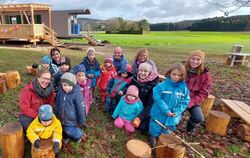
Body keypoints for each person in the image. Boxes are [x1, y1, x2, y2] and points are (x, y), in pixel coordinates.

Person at [149, 63, 190, 147]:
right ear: (169, 73)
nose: (176, 77)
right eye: (174, 74)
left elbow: (185, 101)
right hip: (159, 113)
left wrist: (177, 111)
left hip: (173, 115)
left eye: (179, 75)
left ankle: (163, 139)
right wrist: (166, 110)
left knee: (167, 128)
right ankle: (153, 136)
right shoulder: (161, 86)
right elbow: (157, 98)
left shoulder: (183, 89)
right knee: (155, 126)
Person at [184, 50, 212, 133]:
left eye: (198, 59)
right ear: (189, 59)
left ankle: (190, 127)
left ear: (201, 61)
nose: (195, 61)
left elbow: (203, 93)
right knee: (174, 115)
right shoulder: (182, 69)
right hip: (179, 98)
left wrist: (190, 102)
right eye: (193, 58)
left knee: (199, 117)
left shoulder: (205, 75)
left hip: (193, 100)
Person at [54, 72, 86, 143]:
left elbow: (81, 109)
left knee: (68, 130)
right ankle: (66, 134)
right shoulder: (60, 91)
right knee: (58, 130)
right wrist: (55, 115)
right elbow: (57, 104)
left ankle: (79, 133)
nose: (67, 88)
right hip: (60, 119)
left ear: (74, 85)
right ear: (61, 84)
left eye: (69, 85)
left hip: (71, 121)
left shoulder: (77, 94)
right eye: (64, 85)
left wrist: (81, 122)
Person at [130, 62, 159, 132]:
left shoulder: (153, 84)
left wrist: (140, 117)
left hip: (145, 107)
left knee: (142, 127)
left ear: (150, 72)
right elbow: (129, 88)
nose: (142, 73)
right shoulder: (135, 78)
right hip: (134, 103)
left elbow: (150, 104)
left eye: (145, 71)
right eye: (141, 70)